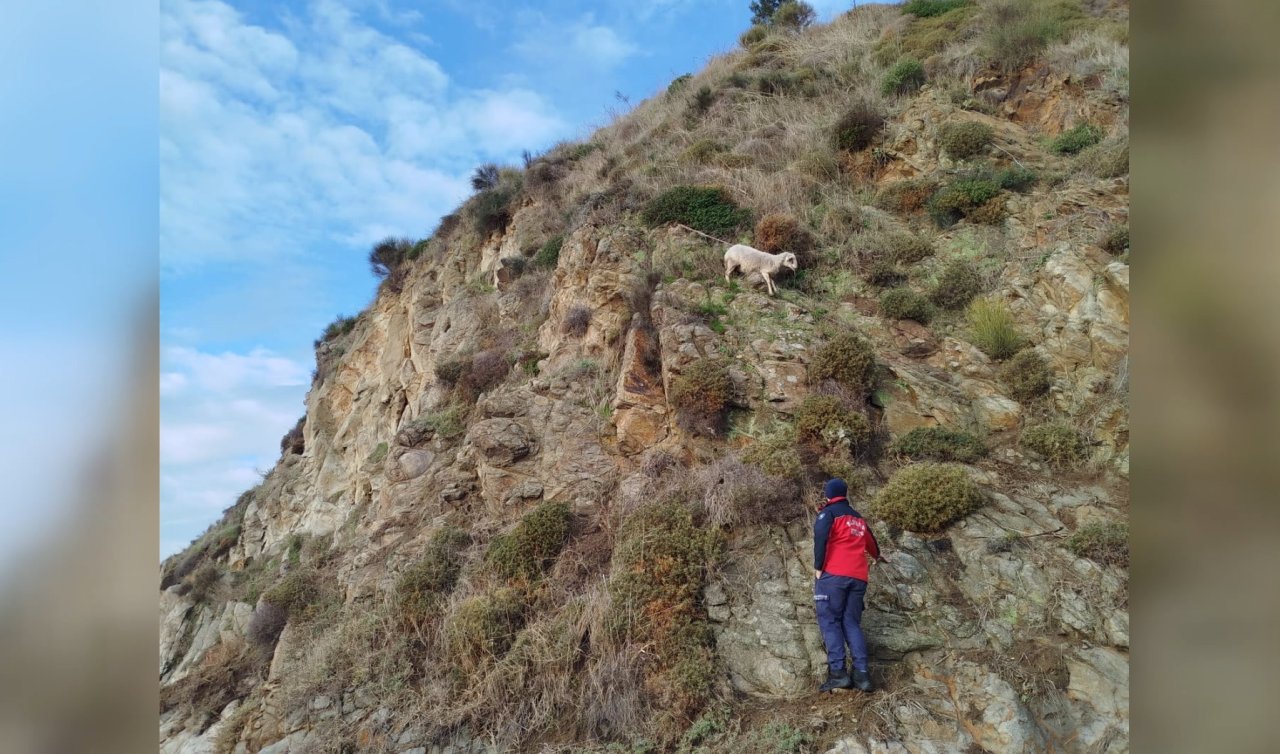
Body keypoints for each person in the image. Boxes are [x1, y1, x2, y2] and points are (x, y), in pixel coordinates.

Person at [813, 477, 880, 692]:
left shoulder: (829, 513)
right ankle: (862, 675)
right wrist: (878, 556)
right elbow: (872, 544)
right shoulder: (858, 518)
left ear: (828, 494)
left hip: (834, 575)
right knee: (851, 623)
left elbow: (820, 538)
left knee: (830, 621)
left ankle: (839, 674)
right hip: (859, 577)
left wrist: (818, 567)